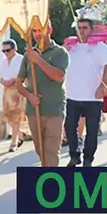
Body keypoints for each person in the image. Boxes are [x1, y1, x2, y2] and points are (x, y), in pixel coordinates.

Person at [63, 19, 107, 168]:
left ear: (91, 30)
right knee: (69, 127)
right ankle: (74, 155)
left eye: (85, 28)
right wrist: (63, 50)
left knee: (92, 131)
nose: (82, 31)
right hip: (72, 96)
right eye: (79, 28)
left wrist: (103, 86)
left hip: (93, 98)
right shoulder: (70, 47)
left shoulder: (100, 47)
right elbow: (58, 63)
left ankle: (88, 159)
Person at [16, 24, 69, 167]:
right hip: (35, 110)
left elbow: (58, 76)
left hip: (54, 109)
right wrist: (29, 96)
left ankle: (51, 185)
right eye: (34, 31)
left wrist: (38, 60)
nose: (37, 34)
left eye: (41, 30)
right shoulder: (28, 55)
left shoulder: (60, 52)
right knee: (41, 151)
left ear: (49, 30)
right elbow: (18, 83)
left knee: (51, 151)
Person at [0, 40, 26, 152]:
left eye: (8, 50)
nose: (6, 53)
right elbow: (0, 76)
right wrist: (3, 81)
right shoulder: (3, 62)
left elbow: (25, 74)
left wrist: (14, 80)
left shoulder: (20, 59)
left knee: (15, 117)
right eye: (4, 51)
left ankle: (13, 142)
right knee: (5, 116)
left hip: (17, 90)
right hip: (7, 90)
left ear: (14, 49)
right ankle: (20, 133)